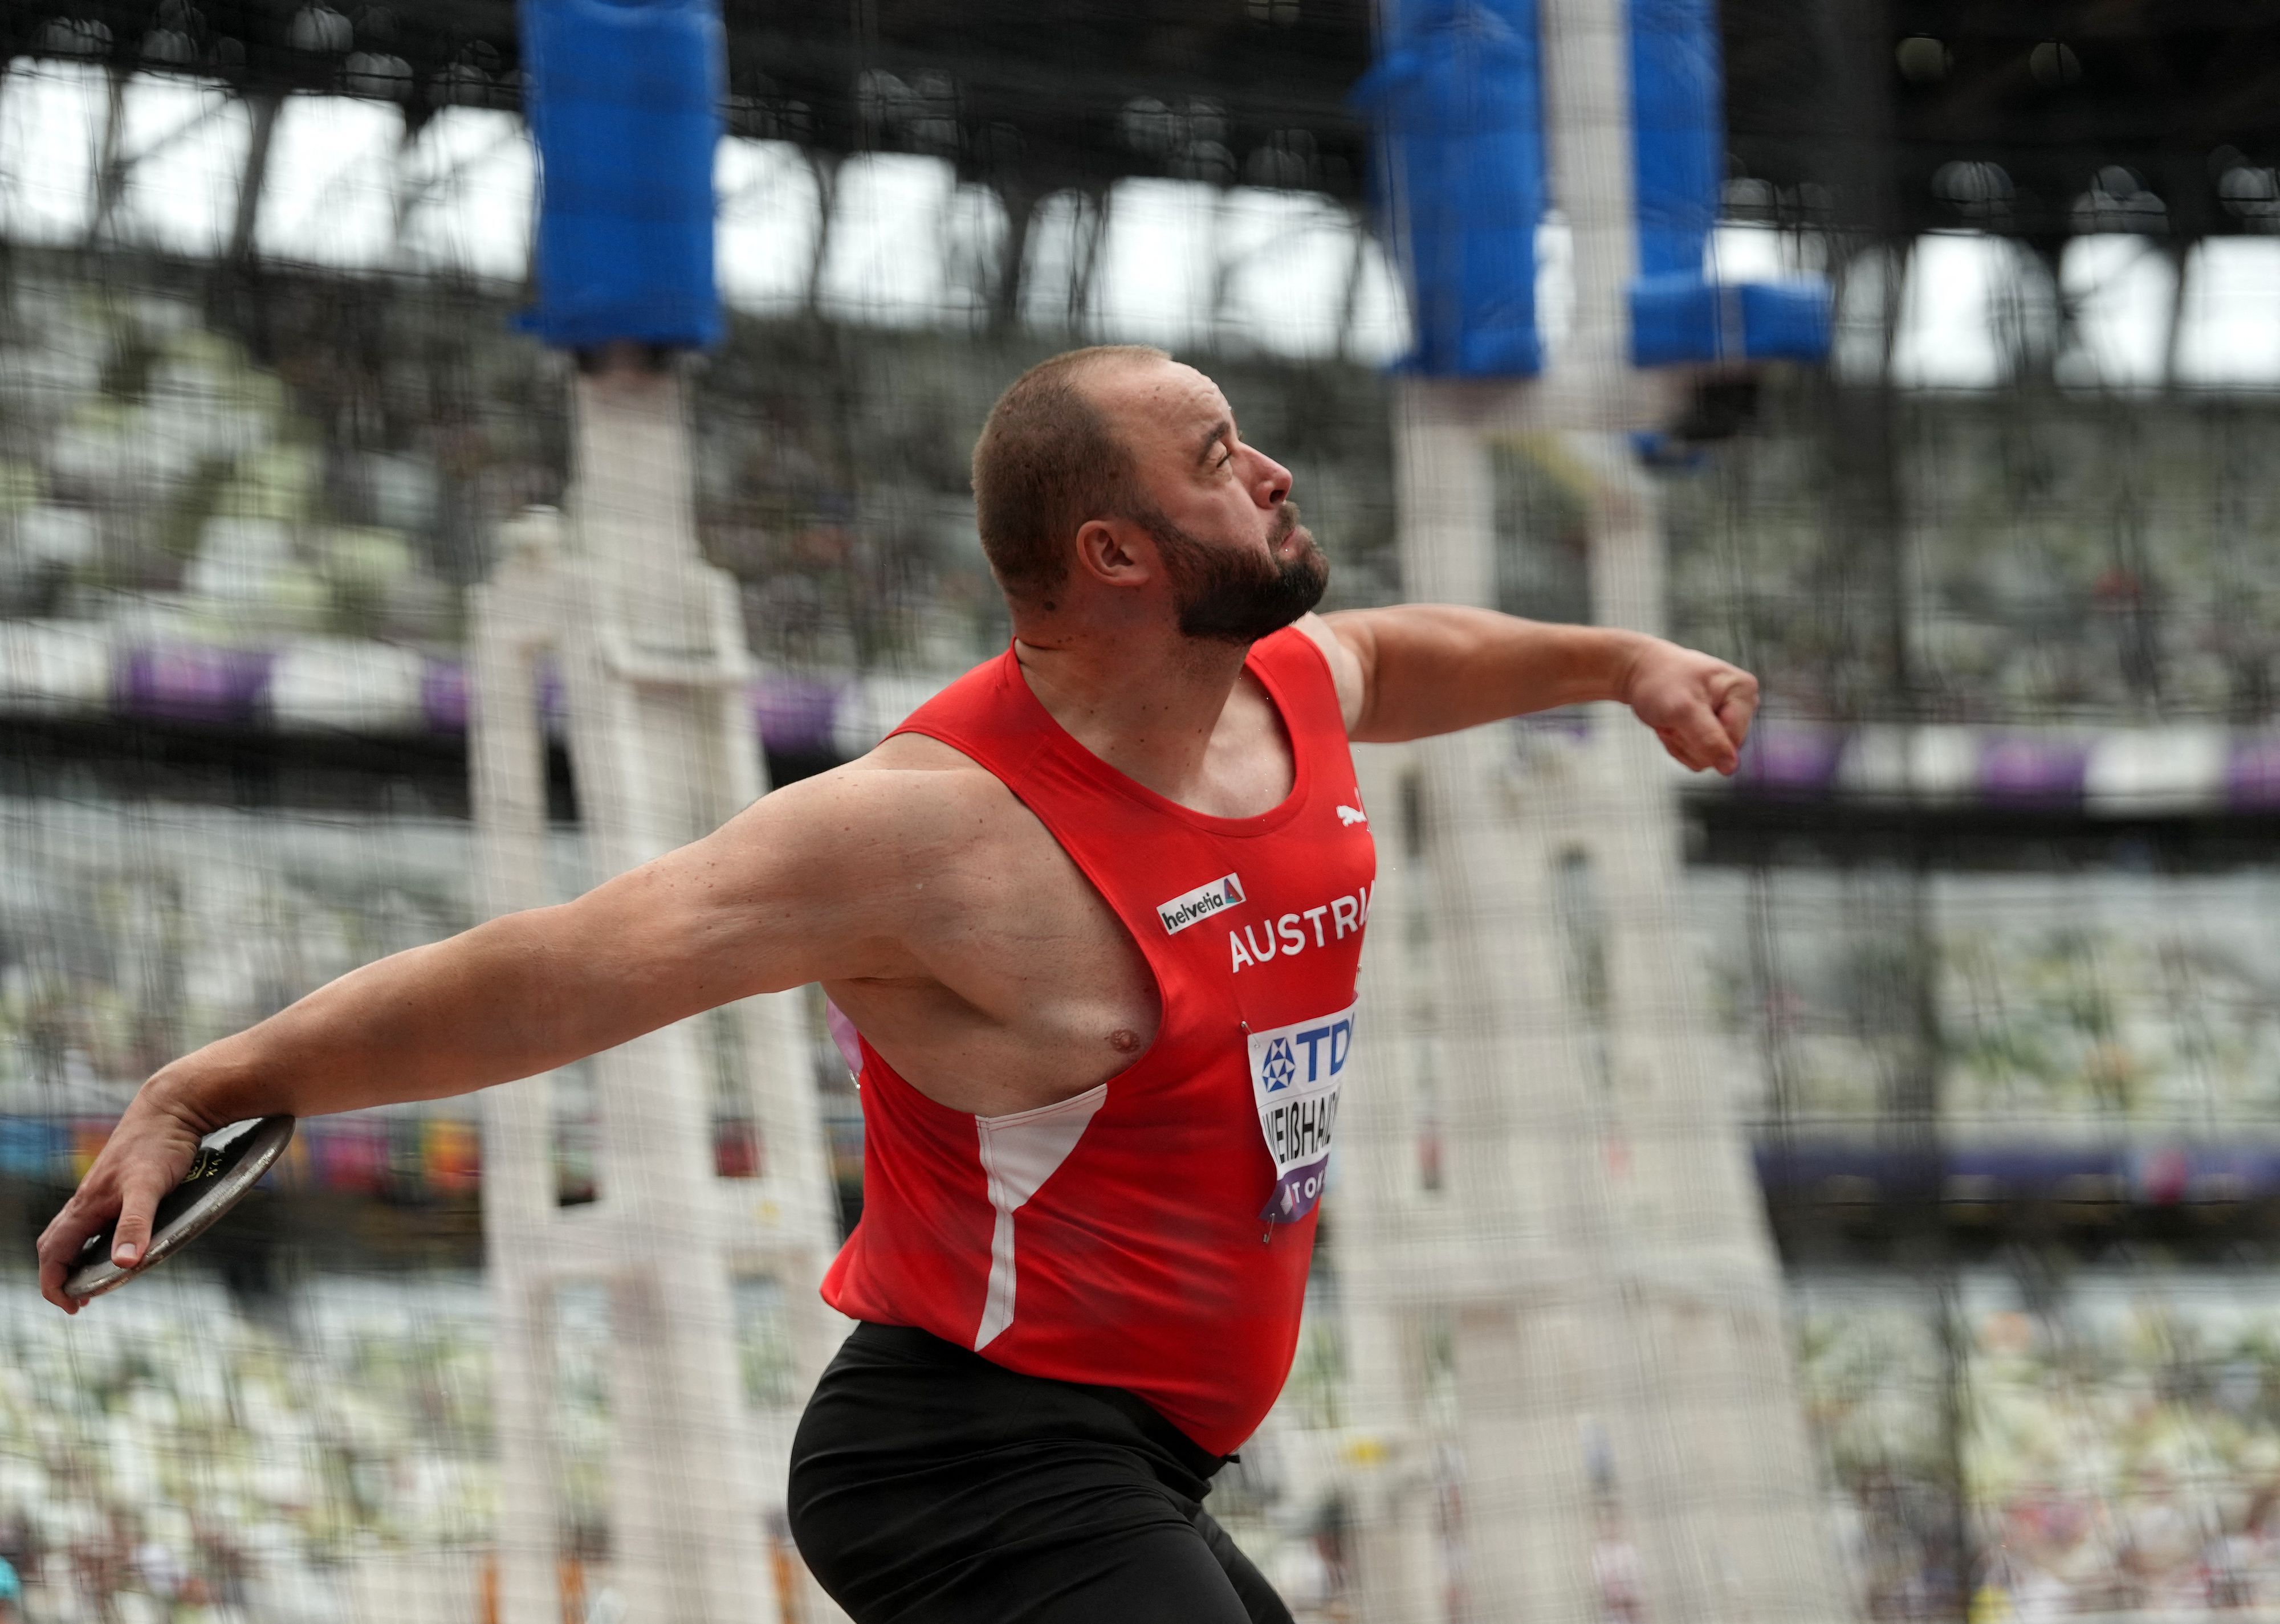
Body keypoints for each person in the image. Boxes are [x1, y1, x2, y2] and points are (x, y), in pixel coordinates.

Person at [39, 345, 1759, 1623]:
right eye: (1221, 454)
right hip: (969, 1460)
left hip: (1140, 1461)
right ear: (1115, 554)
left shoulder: (1283, 690)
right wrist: (206, 1086)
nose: (1276, 471)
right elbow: (555, 972)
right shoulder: (937, 834)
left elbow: (1398, 654)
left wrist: (1621, 663)